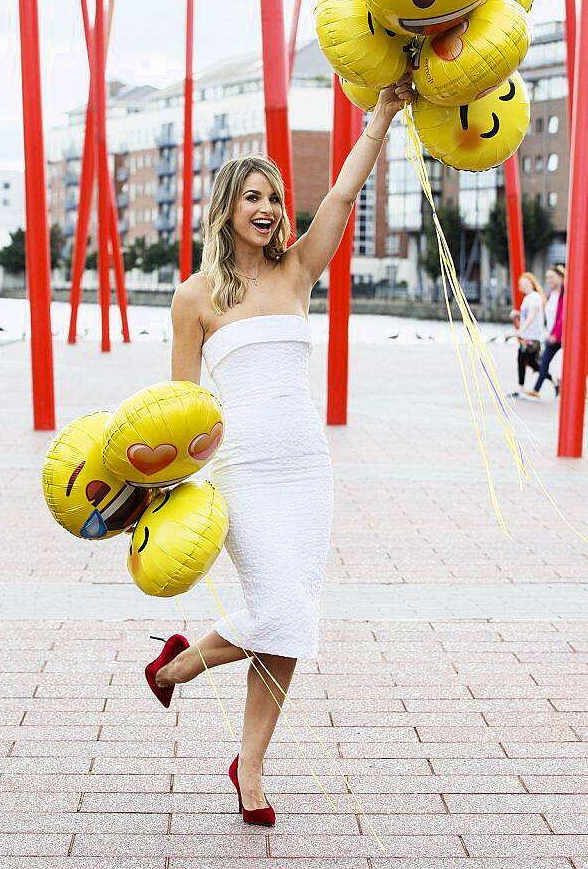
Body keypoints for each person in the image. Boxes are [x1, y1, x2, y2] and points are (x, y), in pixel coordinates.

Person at [143, 72, 414, 826]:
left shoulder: (298, 270)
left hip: (306, 470)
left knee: (290, 620)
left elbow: (338, 200)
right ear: (227, 209)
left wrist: (381, 118)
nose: (268, 209)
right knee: (284, 611)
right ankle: (179, 666)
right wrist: (167, 485)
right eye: (253, 197)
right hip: (242, 472)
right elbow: (180, 406)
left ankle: (245, 762)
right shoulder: (195, 297)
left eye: (273, 198)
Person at [524, 264, 565, 399]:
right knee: (544, 360)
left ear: (560, 277)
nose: (549, 280)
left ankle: (539, 388)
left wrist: (556, 334)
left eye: (552, 277)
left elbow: (562, 317)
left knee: (572, 363)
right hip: (552, 334)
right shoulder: (550, 295)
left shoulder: (565, 295)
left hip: (562, 335)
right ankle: (538, 389)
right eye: (547, 278)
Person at [507, 272, 547, 399]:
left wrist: (518, 332)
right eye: (520, 284)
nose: (522, 286)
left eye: (525, 283)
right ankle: (520, 388)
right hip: (526, 335)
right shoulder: (527, 298)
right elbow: (526, 316)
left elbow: (531, 317)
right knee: (523, 360)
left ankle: (555, 380)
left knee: (532, 363)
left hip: (532, 337)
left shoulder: (535, 297)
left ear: (531, 282)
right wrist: (517, 314)